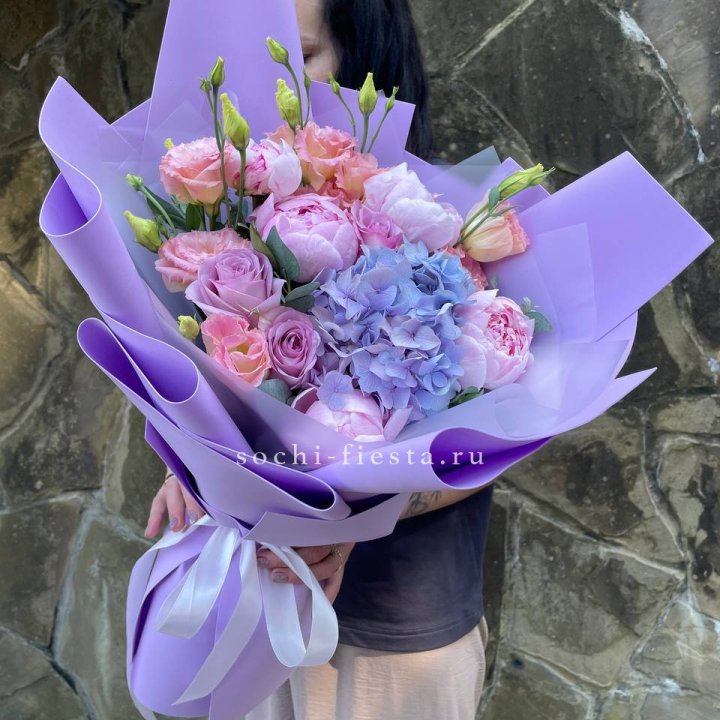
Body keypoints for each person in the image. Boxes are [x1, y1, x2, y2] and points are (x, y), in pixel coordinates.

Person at [144, 1, 494, 718]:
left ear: (367, 57)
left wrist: (352, 522)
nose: (261, 78)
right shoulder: (228, 216)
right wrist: (188, 463)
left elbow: (493, 447)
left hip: (392, 632)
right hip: (246, 609)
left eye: (298, 55)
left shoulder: (446, 224)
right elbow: (217, 386)